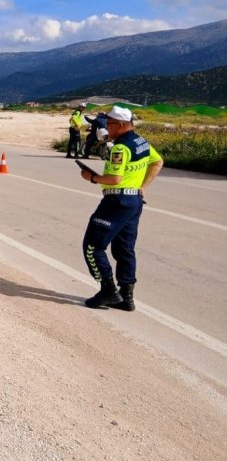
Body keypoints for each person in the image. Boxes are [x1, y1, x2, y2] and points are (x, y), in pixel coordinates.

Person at [79, 106, 163, 311]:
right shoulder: (141, 142)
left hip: (116, 201)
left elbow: (114, 179)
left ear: (121, 125)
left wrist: (92, 178)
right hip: (134, 201)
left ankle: (108, 290)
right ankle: (126, 295)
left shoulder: (121, 148)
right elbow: (157, 162)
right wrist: (143, 186)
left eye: (109, 124)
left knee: (92, 246)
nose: (106, 127)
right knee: (124, 248)